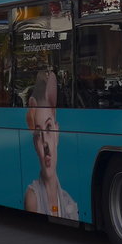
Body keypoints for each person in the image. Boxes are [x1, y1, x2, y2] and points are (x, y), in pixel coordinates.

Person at [23, 71, 79, 219]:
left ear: (57, 133)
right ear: (35, 145)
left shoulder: (70, 204)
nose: (45, 144)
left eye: (48, 128)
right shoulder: (32, 198)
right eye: (38, 132)